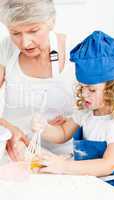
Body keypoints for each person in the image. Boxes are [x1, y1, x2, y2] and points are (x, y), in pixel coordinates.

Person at [32, 31, 114, 199]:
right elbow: (62, 134)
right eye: (82, 87)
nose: (85, 94)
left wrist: (63, 166)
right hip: (91, 185)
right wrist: (43, 127)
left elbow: (107, 165)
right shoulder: (86, 112)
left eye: (92, 90)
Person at [0, 0, 75, 161]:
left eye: (33, 31)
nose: (25, 42)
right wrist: (8, 128)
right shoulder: (6, 49)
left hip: (64, 158)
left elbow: (97, 108)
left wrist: (72, 121)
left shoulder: (76, 52)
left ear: (51, 22)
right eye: (15, 33)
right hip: (16, 154)